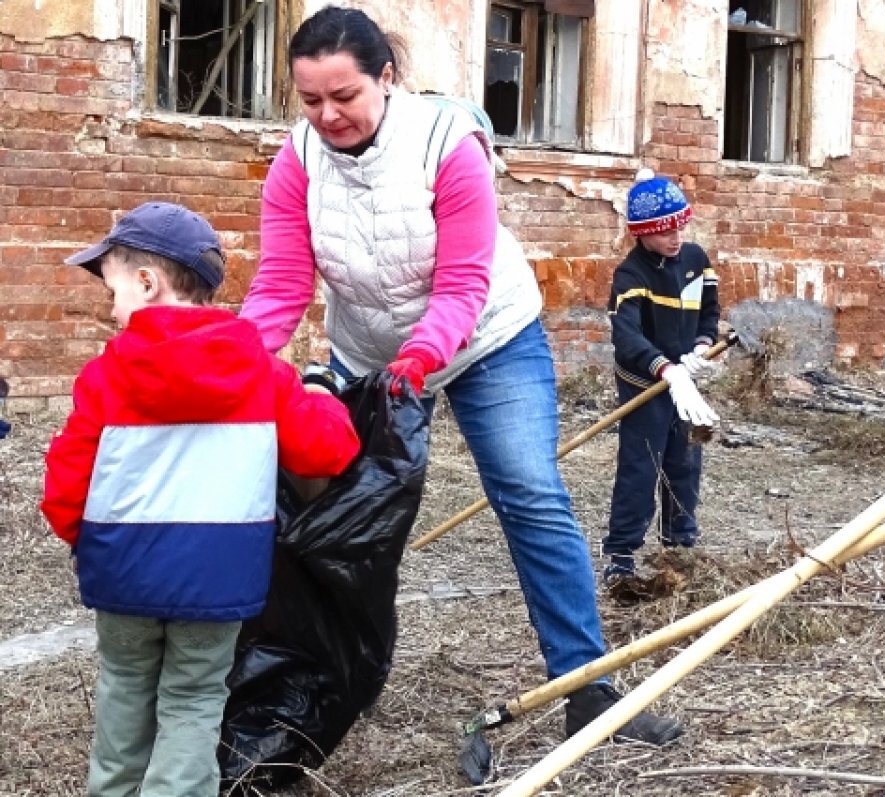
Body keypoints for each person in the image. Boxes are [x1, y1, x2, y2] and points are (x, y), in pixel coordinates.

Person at [238, 6, 683, 744]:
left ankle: (588, 685)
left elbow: (463, 280)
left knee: (529, 490)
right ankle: (328, 682)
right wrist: (231, 361)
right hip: (370, 350)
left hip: (486, 339)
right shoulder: (297, 158)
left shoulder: (447, 142)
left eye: (344, 96)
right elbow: (284, 281)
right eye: (311, 100)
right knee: (336, 519)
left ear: (387, 78)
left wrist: (421, 357)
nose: (327, 115)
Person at [40, 202, 361, 797]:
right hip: (216, 582)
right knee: (192, 700)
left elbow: (66, 480)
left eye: (113, 290)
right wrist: (321, 392)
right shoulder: (262, 373)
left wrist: (83, 542)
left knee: (124, 690)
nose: (112, 310)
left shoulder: (106, 377)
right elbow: (326, 452)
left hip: (123, 576)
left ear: (146, 282)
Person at [602, 169, 720, 583]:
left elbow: (709, 311)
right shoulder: (631, 275)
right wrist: (666, 368)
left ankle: (679, 545)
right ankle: (620, 553)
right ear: (643, 233)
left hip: (687, 384)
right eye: (665, 231)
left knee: (685, 462)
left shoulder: (695, 260)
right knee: (641, 466)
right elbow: (627, 335)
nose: (676, 237)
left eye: (681, 226)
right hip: (647, 385)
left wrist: (703, 346)